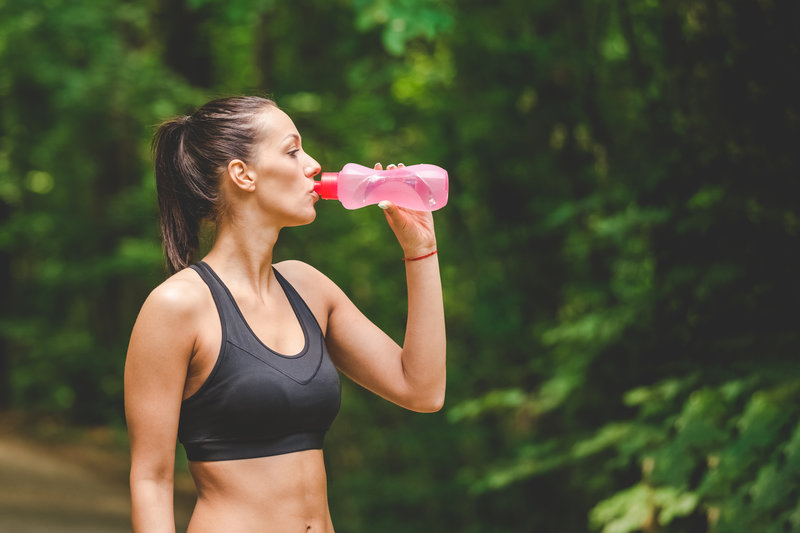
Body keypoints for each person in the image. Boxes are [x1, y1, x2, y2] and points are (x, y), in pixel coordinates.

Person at [123, 95, 446, 533]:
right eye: (293, 150)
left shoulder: (309, 288)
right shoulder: (178, 307)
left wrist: (421, 250)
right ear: (243, 174)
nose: (313, 164)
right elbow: (152, 480)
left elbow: (422, 390)